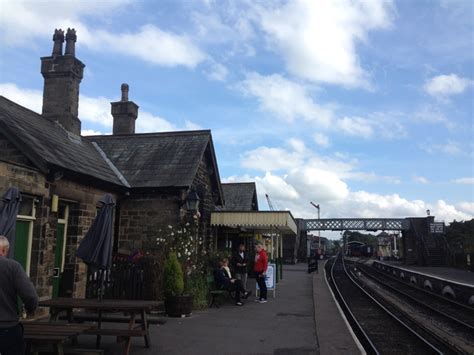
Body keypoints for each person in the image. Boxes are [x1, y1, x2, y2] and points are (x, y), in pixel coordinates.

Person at [0, 235, 38, 355]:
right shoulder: (13, 267)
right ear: (4, 250)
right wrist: (30, 310)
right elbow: (30, 296)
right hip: (6, 327)